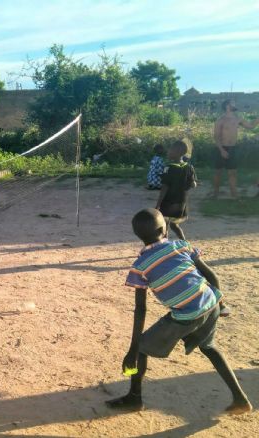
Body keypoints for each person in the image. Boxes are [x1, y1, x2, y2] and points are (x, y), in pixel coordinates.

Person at [106, 208, 251, 415]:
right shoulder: (181, 246)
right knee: (209, 347)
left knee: (142, 349)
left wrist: (133, 348)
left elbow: (141, 310)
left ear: (138, 235)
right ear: (164, 230)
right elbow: (209, 274)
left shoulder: (139, 266)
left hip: (186, 315)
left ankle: (134, 398)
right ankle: (240, 398)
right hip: (210, 305)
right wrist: (220, 302)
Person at [213, 99, 259, 199]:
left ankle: (234, 195)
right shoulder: (221, 120)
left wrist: (258, 119)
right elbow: (216, 137)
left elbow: (251, 126)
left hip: (233, 148)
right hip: (221, 148)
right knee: (218, 172)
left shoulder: (238, 119)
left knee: (233, 172)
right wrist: (222, 150)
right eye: (233, 103)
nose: (235, 104)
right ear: (227, 106)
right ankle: (215, 193)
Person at [155, 141, 196, 241]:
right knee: (174, 225)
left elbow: (164, 187)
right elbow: (193, 184)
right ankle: (185, 243)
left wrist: (158, 204)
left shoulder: (168, 168)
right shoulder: (189, 167)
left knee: (164, 225)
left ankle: (165, 246)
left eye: (170, 150)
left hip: (169, 202)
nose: (167, 152)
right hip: (181, 202)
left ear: (176, 152)